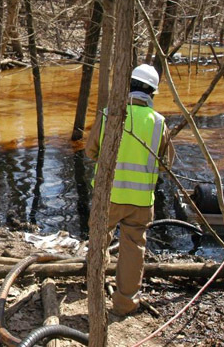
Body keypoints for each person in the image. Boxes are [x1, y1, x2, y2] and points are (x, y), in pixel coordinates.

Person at [85, 63, 175, 317]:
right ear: (153, 93)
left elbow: (91, 151)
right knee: (133, 249)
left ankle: (93, 288)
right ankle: (125, 304)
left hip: (109, 196)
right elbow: (166, 163)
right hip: (141, 200)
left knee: (99, 241)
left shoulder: (108, 115)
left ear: (129, 86)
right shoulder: (159, 123)